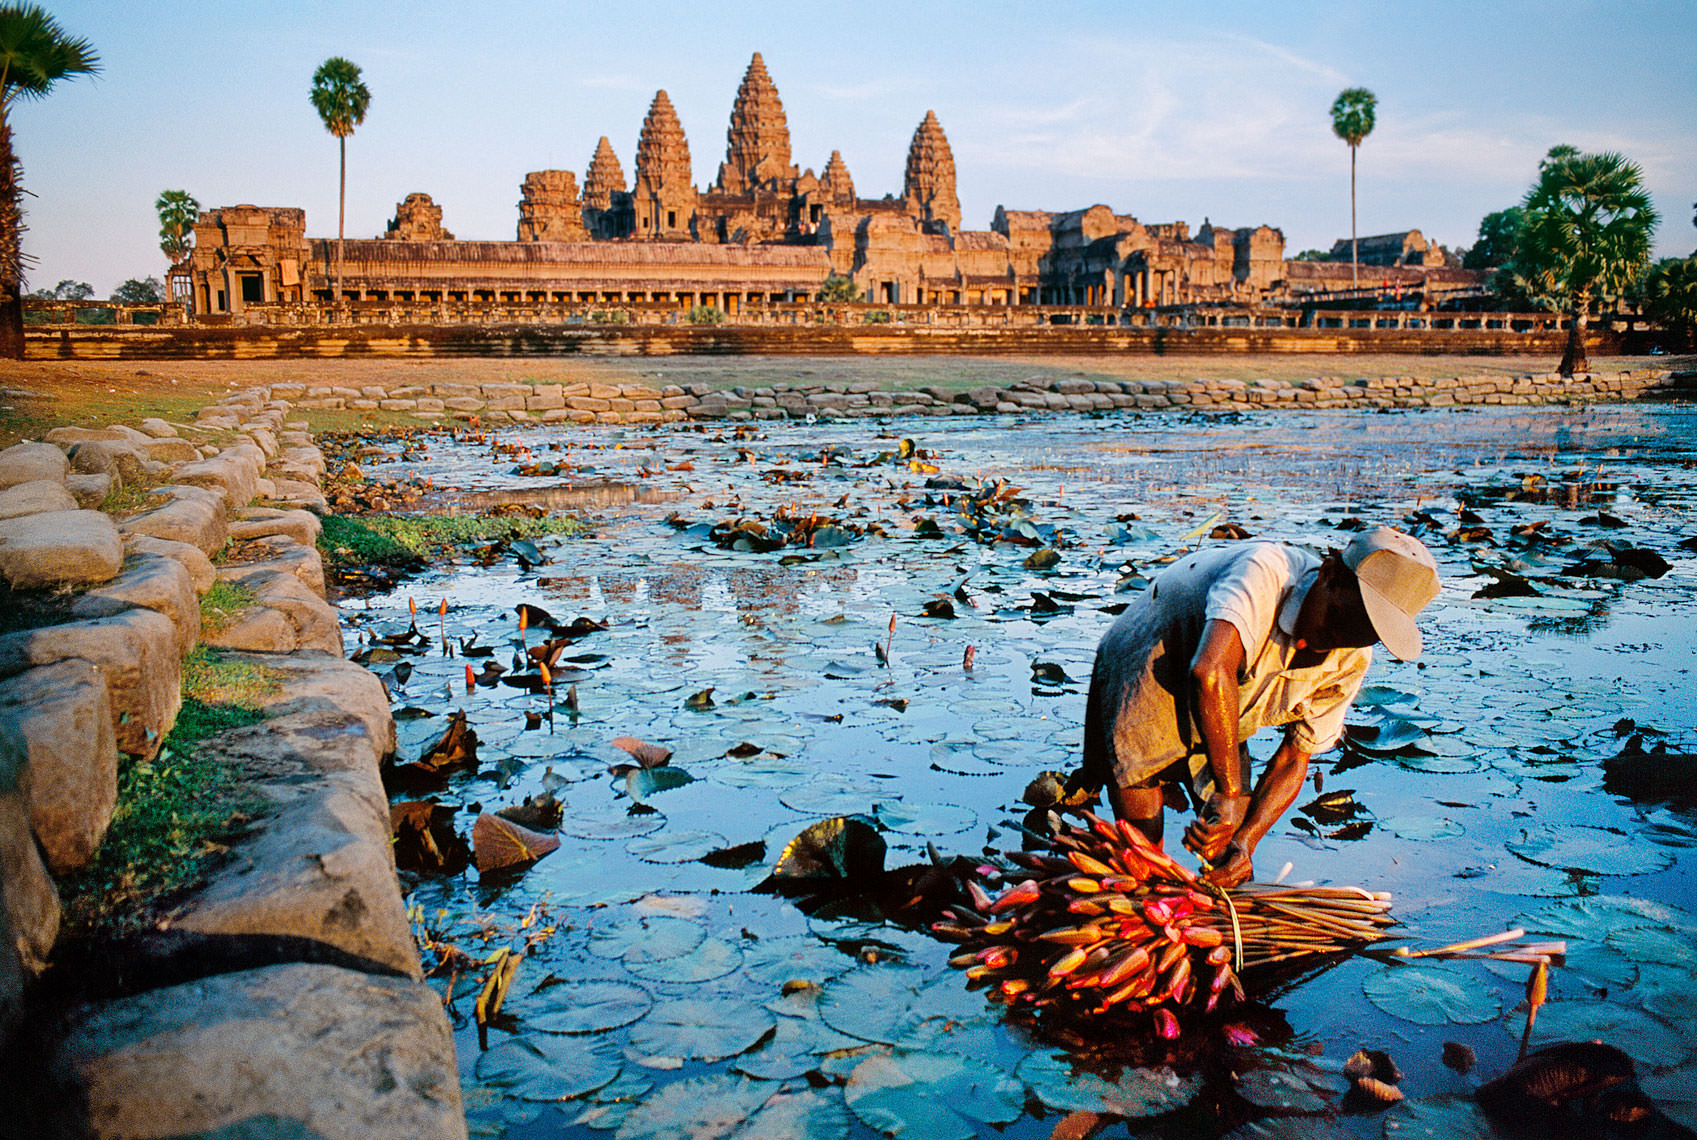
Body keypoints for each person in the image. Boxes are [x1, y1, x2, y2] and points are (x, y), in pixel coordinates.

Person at [1079, 526, 1439, 888]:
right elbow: (1209, 671)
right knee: (1144, 847)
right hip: (1155, 653)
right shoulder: (1266, 572)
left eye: (1358, 635)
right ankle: (1144, 888)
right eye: (1336, 620)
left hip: (1229, 695)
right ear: (1328, 575)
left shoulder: (1352, 660)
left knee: (1227, 839)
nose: (1337, 640)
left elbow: (1295, 758)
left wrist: (1244, 842)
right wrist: (1230, 791)